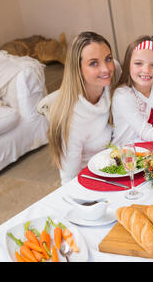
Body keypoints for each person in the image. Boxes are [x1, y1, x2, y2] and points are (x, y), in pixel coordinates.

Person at [48, 31, 118, 185]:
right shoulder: (72, 119)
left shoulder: (111, 79)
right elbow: (69, 179)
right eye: (94, 63)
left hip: (118, 170)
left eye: (108, 59)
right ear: (77, 69)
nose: (106, 69)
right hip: (92, 183)